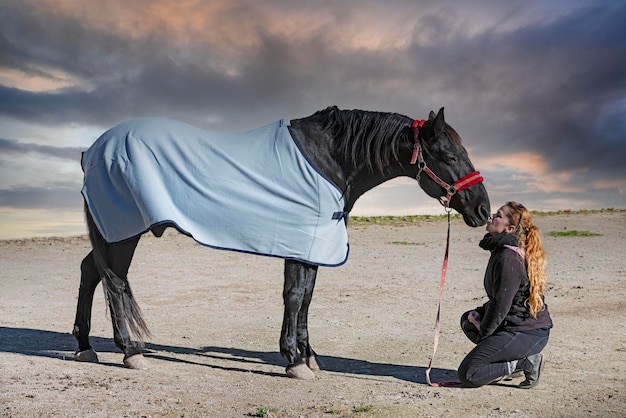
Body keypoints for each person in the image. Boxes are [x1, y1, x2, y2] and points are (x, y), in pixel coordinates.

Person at [457, 201, 553, 388]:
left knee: (469, 374)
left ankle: (524, 362)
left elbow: (502, 303)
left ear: (509, 228)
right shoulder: (502, 250)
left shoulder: (507, 257)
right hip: (515, 325)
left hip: (526, 333)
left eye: (498, 215)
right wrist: (480, 313)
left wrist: (485, 335)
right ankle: (501, 360)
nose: (492, 216)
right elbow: (506, 298)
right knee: (468, 321)